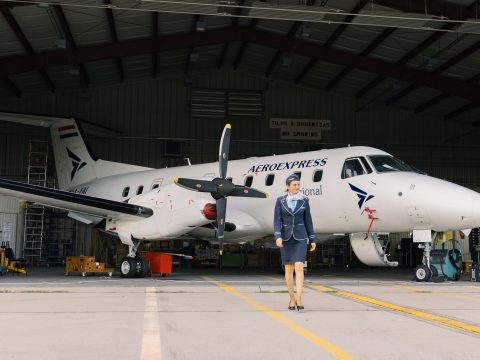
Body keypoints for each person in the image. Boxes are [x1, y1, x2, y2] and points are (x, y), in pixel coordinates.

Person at [274, 174, 316, 311]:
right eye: (294, 185)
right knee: (288, 269)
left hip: (301, 237)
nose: (297, 187)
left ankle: (299, 299)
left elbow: (308, 220)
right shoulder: (280, 201)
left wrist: (312, 239)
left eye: (298, 185)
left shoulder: (304, 200)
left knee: (299, 266)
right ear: (288, 187)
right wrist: (278, 236)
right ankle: (291, 298)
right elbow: (277, 220)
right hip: (285, 238)